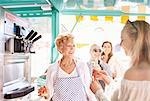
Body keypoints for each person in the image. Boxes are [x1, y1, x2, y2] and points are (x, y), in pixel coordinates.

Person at [90, 20, 150, 101]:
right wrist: (109, 81)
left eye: (123, 39)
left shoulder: (134, 73)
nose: (121, 44)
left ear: (134, 41)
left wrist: (98, 92)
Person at [46, 33, 97, 101]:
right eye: (69, 45)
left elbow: (89, 90)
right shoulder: (52, 68)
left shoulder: (82, 66)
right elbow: (48, 93)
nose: (72, 48)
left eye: (73, 45)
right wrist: (45, 95)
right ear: (61, 48)